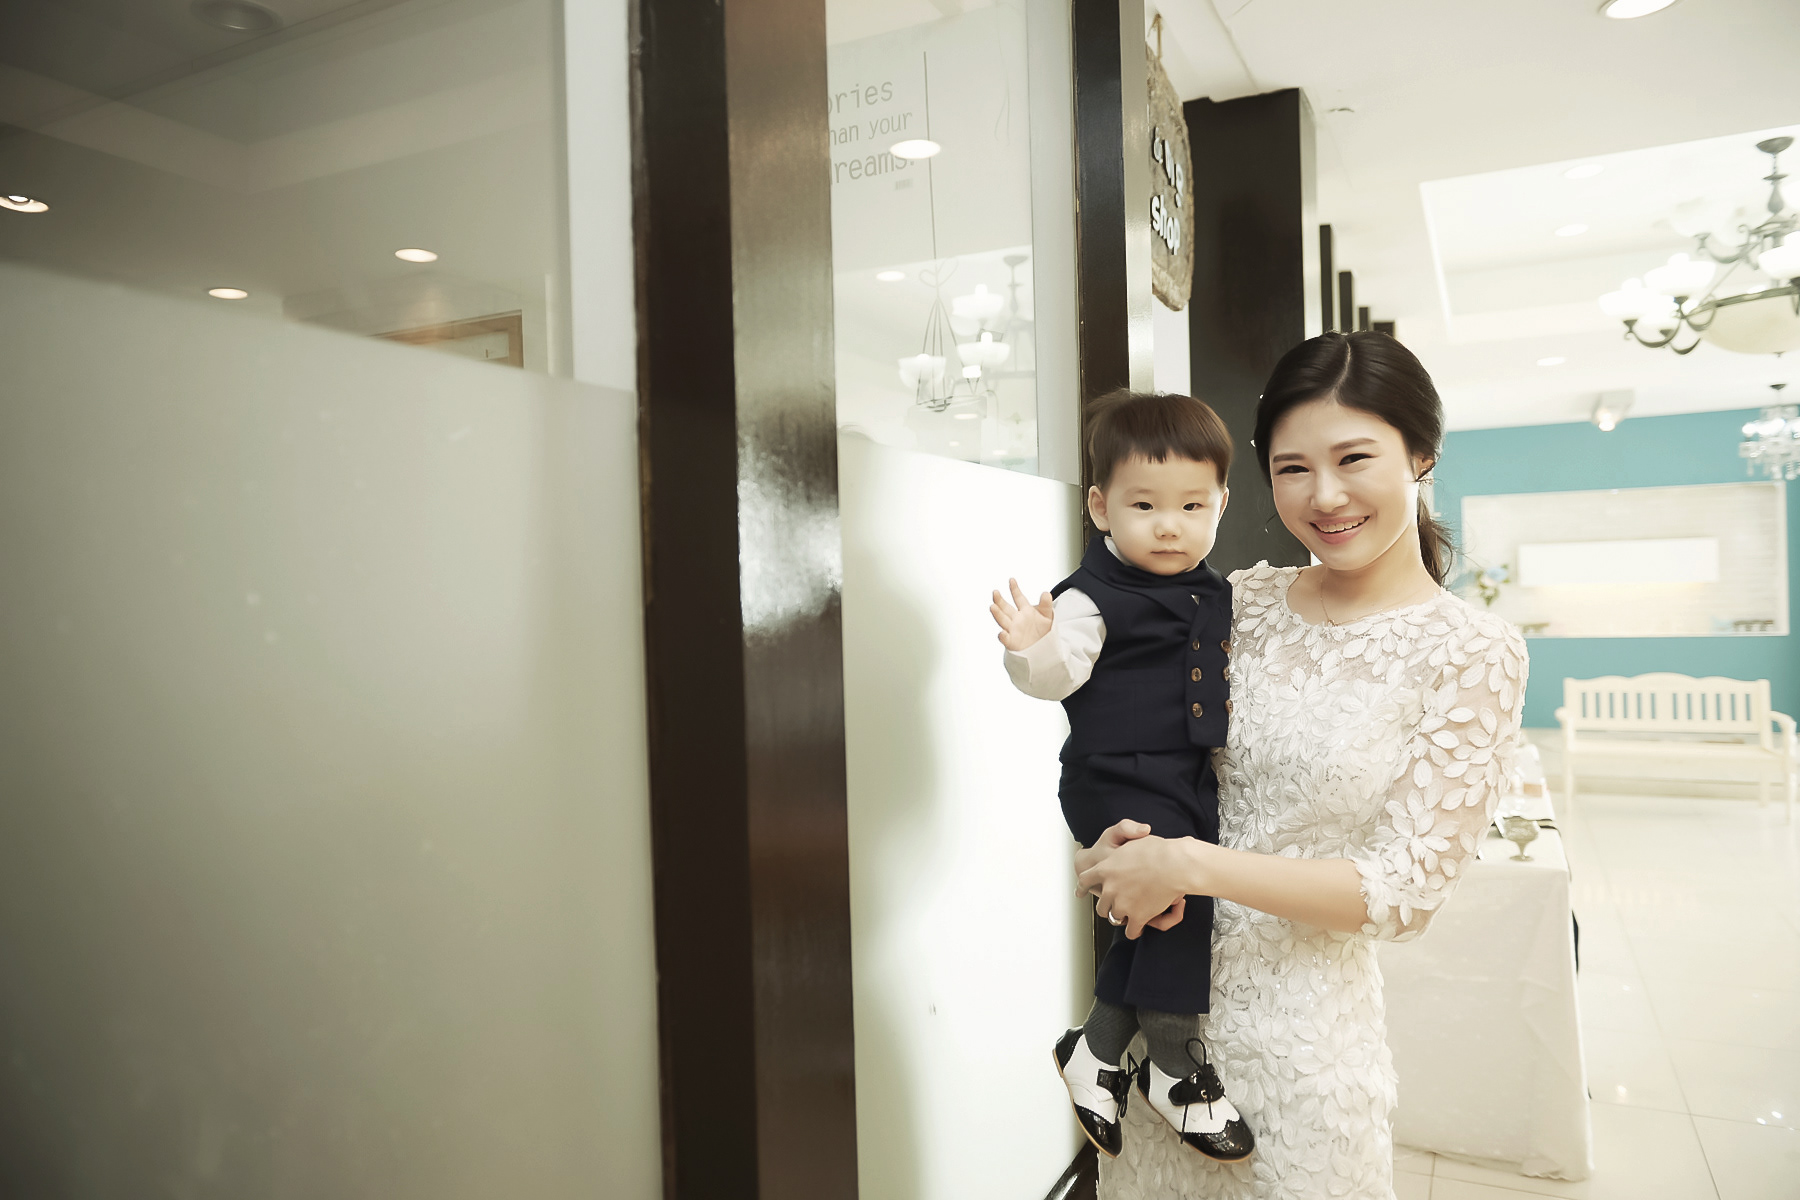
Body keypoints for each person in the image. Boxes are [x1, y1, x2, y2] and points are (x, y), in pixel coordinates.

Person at [1074, 331, 1527, 1199]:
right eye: (1292, 468)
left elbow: (1405, 892)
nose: (1325, 496)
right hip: (1156, 1039)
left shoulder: (1472, 650)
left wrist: (1187, 864)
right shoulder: (1231, 600)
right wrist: (1111, 845)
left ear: (1421, 455)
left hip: (1302, 1052)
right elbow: (1134, 744)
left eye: (1354, 459)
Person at [991, 391, 1253, 1163]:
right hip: (1115, 773)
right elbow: (1057, 674)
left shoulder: (1213, 588)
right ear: (1102, 508)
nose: (1170, 525)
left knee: (1164, 904)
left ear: (1221, 505)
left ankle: (1097, 1048)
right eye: (1145, 505)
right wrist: (1033, 645)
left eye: (1191, 505)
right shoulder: (1089, 598)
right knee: (1176, 902)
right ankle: (1174, 1067)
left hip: (1179, 774)